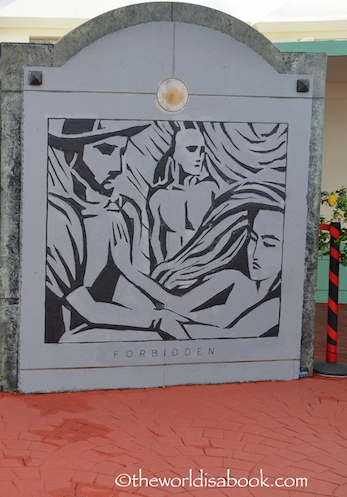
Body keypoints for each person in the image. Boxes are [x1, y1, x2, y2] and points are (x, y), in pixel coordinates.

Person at [45, 119, 187, 343]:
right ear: (73, 155)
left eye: (122, 152)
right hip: (67, 337)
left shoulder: (123, 210)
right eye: (105, 151)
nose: (117, 167)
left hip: (106, 322)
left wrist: (167, 311)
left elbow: (118, 287)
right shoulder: (58, 216)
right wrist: (156, 320)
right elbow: (86, 309)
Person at [153, 182, 285, 338]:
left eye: (269, 244)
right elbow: (177, 305)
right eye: (253, 238)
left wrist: (168, 323)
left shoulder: (276, 306)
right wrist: (127, 269)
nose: (255, 253)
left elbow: (232, 335)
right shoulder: (234, 279)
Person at [148, 121, 218, 265]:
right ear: (175, 152)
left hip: (202, 275)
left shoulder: (210, 190)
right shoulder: (159, 196)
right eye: (192, 149)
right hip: (168, 276)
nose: (199, 157)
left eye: (202, 150)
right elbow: (155, 241)